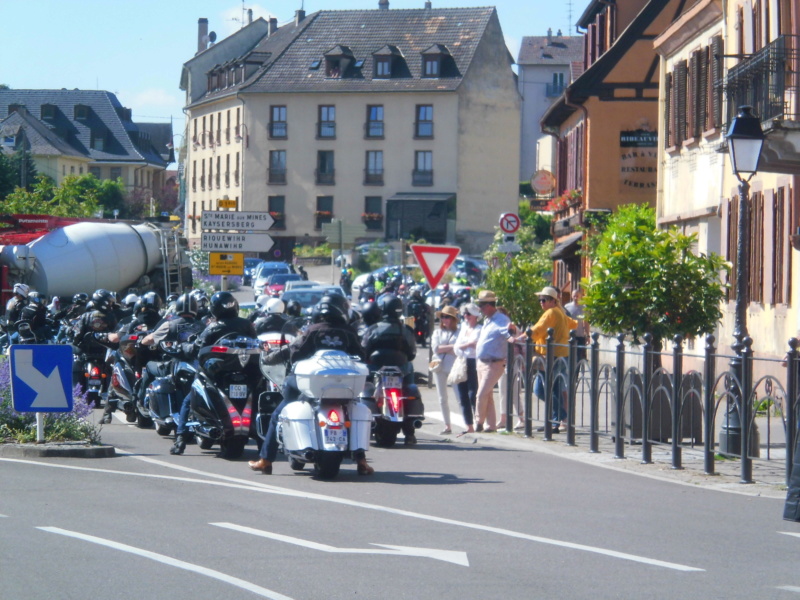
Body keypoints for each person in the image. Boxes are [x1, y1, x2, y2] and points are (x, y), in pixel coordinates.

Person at [248, 294, 373, 475]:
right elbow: (361, 355)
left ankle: (266, 460)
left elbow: (293, 352)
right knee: (353, 413)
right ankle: (361, 461)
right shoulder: (349, 332)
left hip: (312, 386)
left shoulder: (312, 330)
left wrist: (270, 357)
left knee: (278, 413)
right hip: (344, 387)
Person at [170, 291, 257, 454]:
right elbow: (256, 343)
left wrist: (182, 347)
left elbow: (196, 349)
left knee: (189, 399)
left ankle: (180, 439)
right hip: (244, 373)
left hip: (217, 375)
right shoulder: (246, 325)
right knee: (260, 393)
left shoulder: (212, 328)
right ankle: (262, 438)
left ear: (214, 309)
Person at [362, 294, 419, 444]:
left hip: (375, 369)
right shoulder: (406, 330)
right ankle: (410, 433)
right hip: (401, 369)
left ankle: (363, 418)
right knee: (409, 380)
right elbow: (412, 353)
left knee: (362, 379)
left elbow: (363, 350)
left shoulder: (373, 329)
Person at [522, 286, 578, 433]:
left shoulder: (551, 312)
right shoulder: (558, 311)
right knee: (552, 389)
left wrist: (521, 337)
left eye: (544, 300)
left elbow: (538, 328)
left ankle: (558, 418)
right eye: (540, 300)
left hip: (553, 356)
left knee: (543, 389)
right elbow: (572, 323)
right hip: (560, 354)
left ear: (553, 301)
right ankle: (556, 420)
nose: (541, 302)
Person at [71, 289, 119, 423]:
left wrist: (77, 341)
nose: (110, 304)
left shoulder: (86, 316)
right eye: (108, 302)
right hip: (104, 353)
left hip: (88, 353)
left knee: (77, 365)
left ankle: (78, 390)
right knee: (112, 370)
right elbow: (116, 332)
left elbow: (77, 334)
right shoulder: (110, 316)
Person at [473, 290, 514, 433]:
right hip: (482, 362)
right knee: (488, 395)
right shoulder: (487, 319)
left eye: (482, 305)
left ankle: (479, 421)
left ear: (490, 305)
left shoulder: (502, 319)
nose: (480, 308)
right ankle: (490, 426)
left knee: (481, 394)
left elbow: (508, 334)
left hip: (494, 363)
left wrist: (513, 338)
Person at [430, 305, 459, 434]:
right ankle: (447, 425)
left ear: (453, 319)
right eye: (443, 317)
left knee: (459, 397)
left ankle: (469, 424)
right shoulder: (437, 332)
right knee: (442, 398)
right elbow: (436, 348)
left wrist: (446, 347)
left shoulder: (459, 332)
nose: (444, 319)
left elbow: (459, 350)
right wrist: (452, 347)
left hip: (454, 366)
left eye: (447, 317)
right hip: (439, 366)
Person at [454, 303, 481, 435]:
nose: (466, 316)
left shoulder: (480, 329)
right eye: (465, 314)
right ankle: (468, 425)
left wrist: (466, 346)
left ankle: (479, 422)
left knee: (473, 394)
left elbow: (478, 347)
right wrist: (468, 345)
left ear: (476, 316)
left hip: (474, 363)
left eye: (468, 314)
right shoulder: (463, 328)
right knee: (462, 395)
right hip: (462, 361)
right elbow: (457, 347)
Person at [564, 288, 590, 361]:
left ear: (581, 296)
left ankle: (576, 372)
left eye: (577, 296)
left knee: (579, 357)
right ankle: (570, 372)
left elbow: (586, 322)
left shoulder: (584, 308)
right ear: (572, 296)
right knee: (569, 356)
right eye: (574, 296)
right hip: (569, 336)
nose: (576, 298)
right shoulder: (567, 307)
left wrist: (587, 335)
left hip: (580, 336)